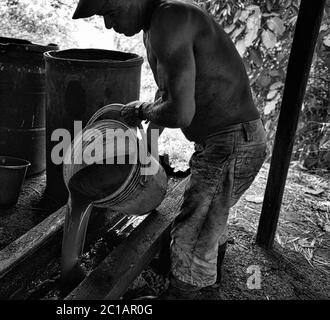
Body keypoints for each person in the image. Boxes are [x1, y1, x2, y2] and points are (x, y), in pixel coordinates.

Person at [72, 0, 267, 299]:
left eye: (110, 13)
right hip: (225, 140)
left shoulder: (170, 17)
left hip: (232, 141)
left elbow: (180, 113)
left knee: (192, 228)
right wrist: (147, 147)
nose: (109, 25)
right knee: (208, 215)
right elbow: (168, 92)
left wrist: (141, 110)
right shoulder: (154, 24)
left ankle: (185, 293)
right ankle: (207, 278)